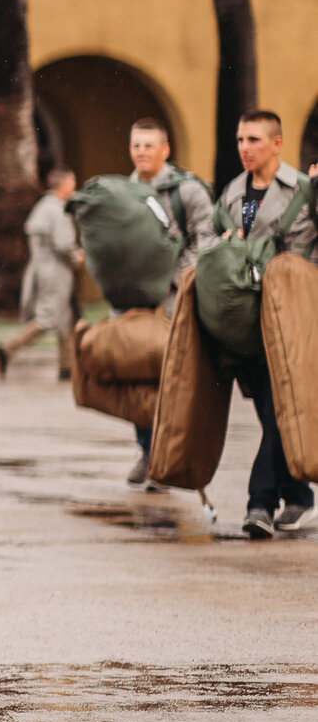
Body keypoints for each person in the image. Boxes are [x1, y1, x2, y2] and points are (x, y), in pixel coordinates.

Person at [212, 110, 317, 537]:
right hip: (246, 322)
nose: (244, 148)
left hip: (293, 320)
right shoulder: (232, 194)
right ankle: (300, 496)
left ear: (277, 143)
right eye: (239, 139)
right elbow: (207, 241)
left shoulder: (306, 191)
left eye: (253, 139)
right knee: (270, 412)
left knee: (277, 410)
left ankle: (260, 503)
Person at [119, 117, 218, 487]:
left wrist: (171, 281)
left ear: (165, 149)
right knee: (139, 379)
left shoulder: (187, 191)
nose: (141, 152)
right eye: (135, 145)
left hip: (173, 302)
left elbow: (205, 240)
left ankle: (169, 455)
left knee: (172, 379)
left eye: (148, 145)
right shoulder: (122, 191)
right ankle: (147, 450)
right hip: (132, 303)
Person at [0, 167, 81, 380]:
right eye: (72, 182)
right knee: (48, 318)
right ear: (62, 184)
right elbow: (63, 243)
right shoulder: (58, 209)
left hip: (43, 269)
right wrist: (77, 255)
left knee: (65, 320)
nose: (74, 186)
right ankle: (6, 350)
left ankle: (67, 367)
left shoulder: (43, 207)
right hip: (56, 272)